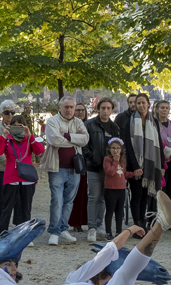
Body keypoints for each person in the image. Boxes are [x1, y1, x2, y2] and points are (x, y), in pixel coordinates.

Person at [43, 96, 90, 245]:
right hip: (57, 167)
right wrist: (75, 138)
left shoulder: (78, 122)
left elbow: (85, 139)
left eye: (71, 107)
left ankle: (63, 229)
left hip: (75, 168)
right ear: (60, 107)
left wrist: (67, 136)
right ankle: (54, 232)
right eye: (66, 107)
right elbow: (54, 140)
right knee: (57, 200)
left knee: (69, 201)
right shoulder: (52, 121)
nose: (69, 110)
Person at [0, 115, 43, 234]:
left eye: (19, 126)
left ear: (24, 126)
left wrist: (30, 136)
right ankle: (3, 233)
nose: (16, 129)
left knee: (26, 209)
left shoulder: (29, 139)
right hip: (11, 177)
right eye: (14, 127)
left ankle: (24, 234)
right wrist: (3, 136)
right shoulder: (8, 139)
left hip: (27, 178)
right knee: (7, 207)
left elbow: (39, 151)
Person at [116, 94, 158, 227]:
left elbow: (158, 145)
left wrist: (160, 165)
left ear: (148, 104)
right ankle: (137, 224)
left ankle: (143, 223)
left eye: (142, 103)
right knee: (137, 195)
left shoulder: (153, 121)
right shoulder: (131, 121)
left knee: (145, 196)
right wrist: (135, 166)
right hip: (135, 165)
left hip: (150, 163)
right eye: (138, 103)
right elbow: (127, 145)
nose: (140, 105)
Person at [84, 98, 119, 241]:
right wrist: (92, 157)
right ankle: (91, 227)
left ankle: (99, 224)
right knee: (93, 197)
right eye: (103, 108)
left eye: (108, 108)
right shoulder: (89, 125)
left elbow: (117, 146)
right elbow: (84, 145)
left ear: (112, 110)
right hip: (94, 166)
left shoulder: (114, 127)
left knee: (104, 198)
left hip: (108, 169)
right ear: (98, 109)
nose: (105, 111)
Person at [153, 100, 171, 228]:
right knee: (161, 192)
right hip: (161, 163)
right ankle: (160, 220)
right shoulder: (154, 125)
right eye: (162, 108)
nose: (165, 110)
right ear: (157, 110)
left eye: (167, 108)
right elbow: (157, 143)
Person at [68, 103, 90, 234]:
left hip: (86, 162)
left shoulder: (89, 125)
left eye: (83, 110)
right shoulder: (71, 125)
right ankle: (72, 221)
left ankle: (81, 222)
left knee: (83, 194)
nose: (81, 112)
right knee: (72, 194)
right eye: (78, 110)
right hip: (73, 161)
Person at [101, 139, 129, 238]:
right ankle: (108, 232)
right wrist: (116, 160)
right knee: (109, 211)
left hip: (121, 189)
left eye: (118, 148)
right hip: (110, 189)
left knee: (119, 211)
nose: (116, 150)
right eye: (113, 148)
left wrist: (134, 173)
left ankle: (119, 232)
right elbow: (111, 172)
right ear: (109, 149)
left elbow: (124, 173)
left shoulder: (123, 160)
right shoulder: (107, 159)